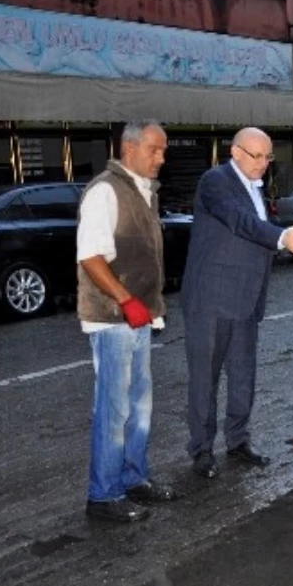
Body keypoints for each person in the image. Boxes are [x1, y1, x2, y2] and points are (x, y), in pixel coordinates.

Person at [182, 127, 293, 479]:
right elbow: (240, 223)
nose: (263, 164)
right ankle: (202, 450)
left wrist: (279, 234)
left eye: (268, 157)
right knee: (204, 378)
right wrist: (281, 236)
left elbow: (253, 230)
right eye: (256, 156)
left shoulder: (256, 187)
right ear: (235, 152)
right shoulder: (216, 181)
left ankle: (238, 442)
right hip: (211, 298)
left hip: (245, 298)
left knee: (243, 375)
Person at [76, 120, 179, 523]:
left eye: (164, 150)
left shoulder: (142, 191)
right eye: (155, 149)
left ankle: (134, 478)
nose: (162, 157)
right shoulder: (105, 190)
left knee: (139, 406)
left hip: (138, 318)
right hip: (112, 319)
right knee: (114, 408)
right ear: (129, 148)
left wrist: (145, 308)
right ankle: (103, 495)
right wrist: (126, 301)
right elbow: (90, 257)